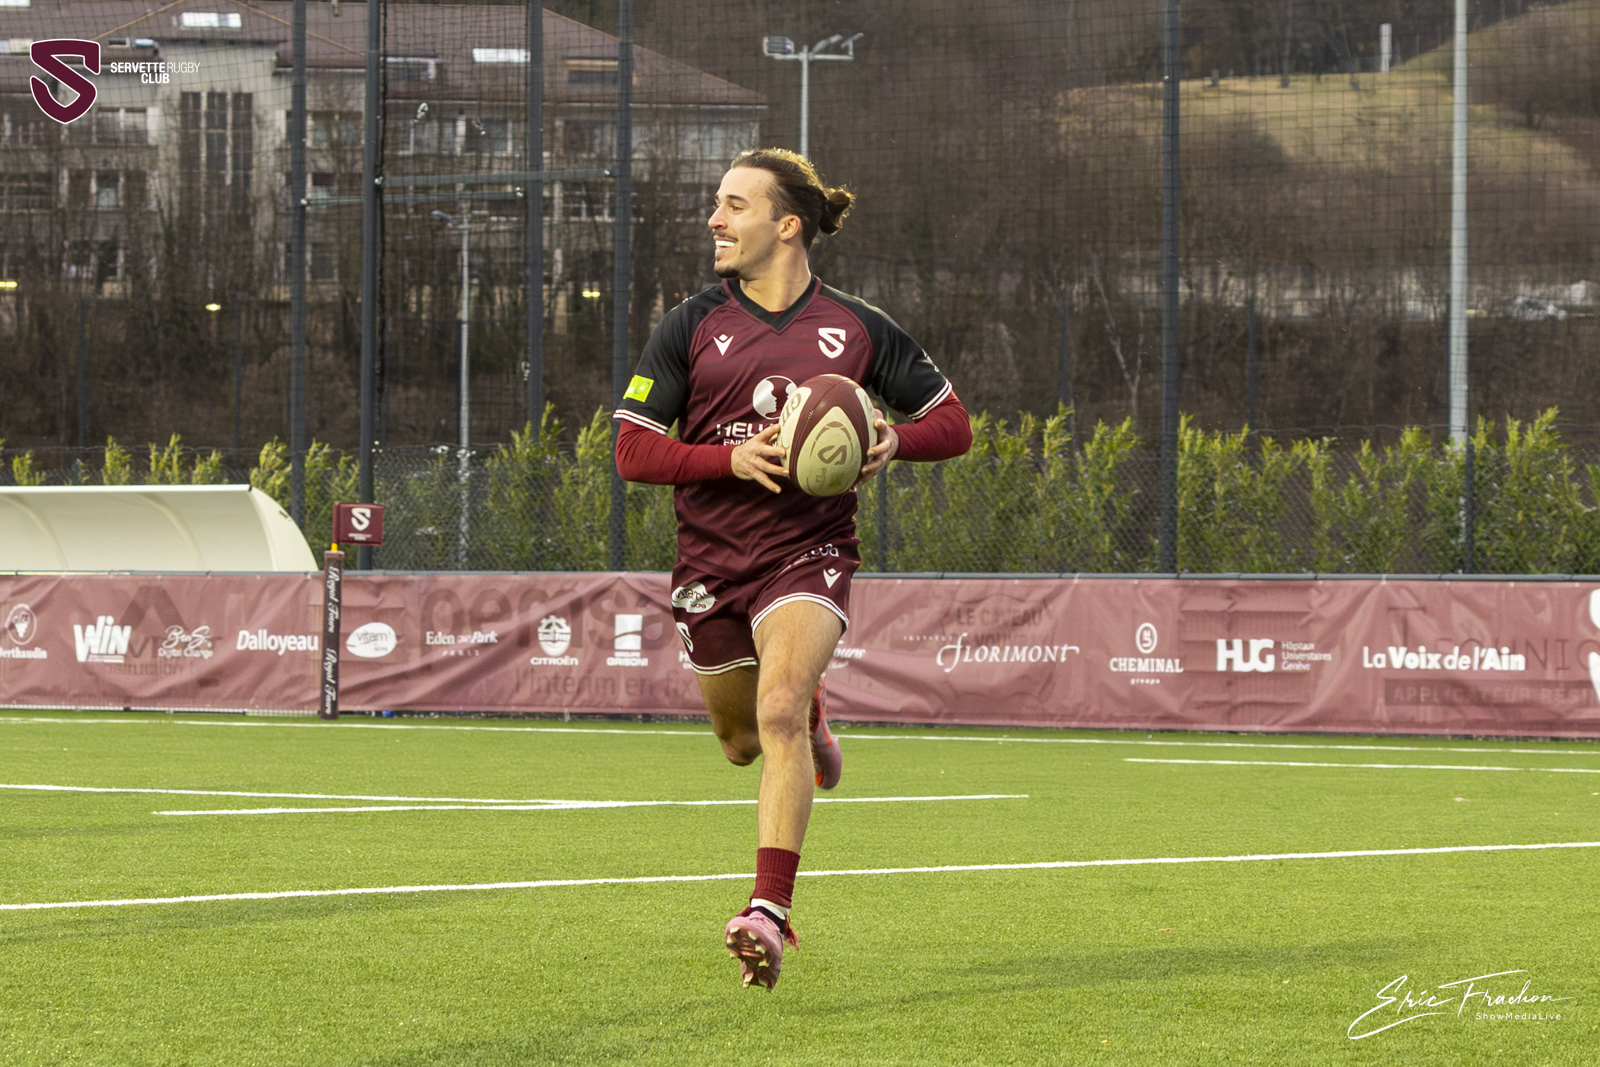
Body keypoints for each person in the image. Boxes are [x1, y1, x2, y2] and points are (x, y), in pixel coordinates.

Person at [613, 148, 972, 990]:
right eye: (716, 203)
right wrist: (728, 460)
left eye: (734, 205)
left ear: (787, 225)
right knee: (743, 741)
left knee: (772, 708)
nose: (715, 218)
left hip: (809, 552)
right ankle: (813, 719)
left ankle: (766, 912)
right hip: (710, 563)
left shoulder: (858, 328)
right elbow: (631, 448)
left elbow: (954, 424)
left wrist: (893, 440)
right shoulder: (689, 325)